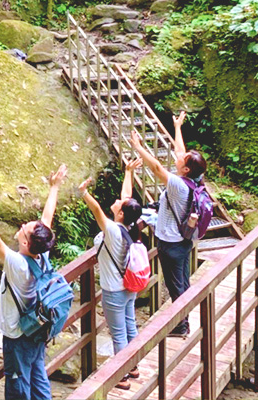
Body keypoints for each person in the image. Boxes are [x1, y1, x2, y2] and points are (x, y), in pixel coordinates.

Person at [0, 164, 68, 400]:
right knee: (37, 374)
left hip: (18, 334)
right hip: (38, 328)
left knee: (18, 383)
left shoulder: (18, 265)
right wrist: (54, 187)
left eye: (24, 228)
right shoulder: (42, 254)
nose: (22, 226)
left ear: (25, 242)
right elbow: (47, 219)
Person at [130, 111, 206, 337]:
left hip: (171, 243)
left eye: (182, 161)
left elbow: (155, 168)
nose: (178, 158)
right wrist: (177, 127)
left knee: (175, 286)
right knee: (182, 281)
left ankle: (181, 326)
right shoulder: (195, 179)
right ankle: (186, 318)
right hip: (183, 240)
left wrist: (138, 146)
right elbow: (180, 152)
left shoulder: (178, 186)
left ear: (185, 169)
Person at [78, 159, 145, 391]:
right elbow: (126, 197)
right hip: (128, 287)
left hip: (114, 290)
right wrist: (128, 172)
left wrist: (84, 192)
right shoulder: (131, 226)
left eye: (119, 204)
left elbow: (96, 210)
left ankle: (123, 376)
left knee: (118, 333)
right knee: (129, 325)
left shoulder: (114, 231)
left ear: (120, 214)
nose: (117, 202)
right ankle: (133, 365)